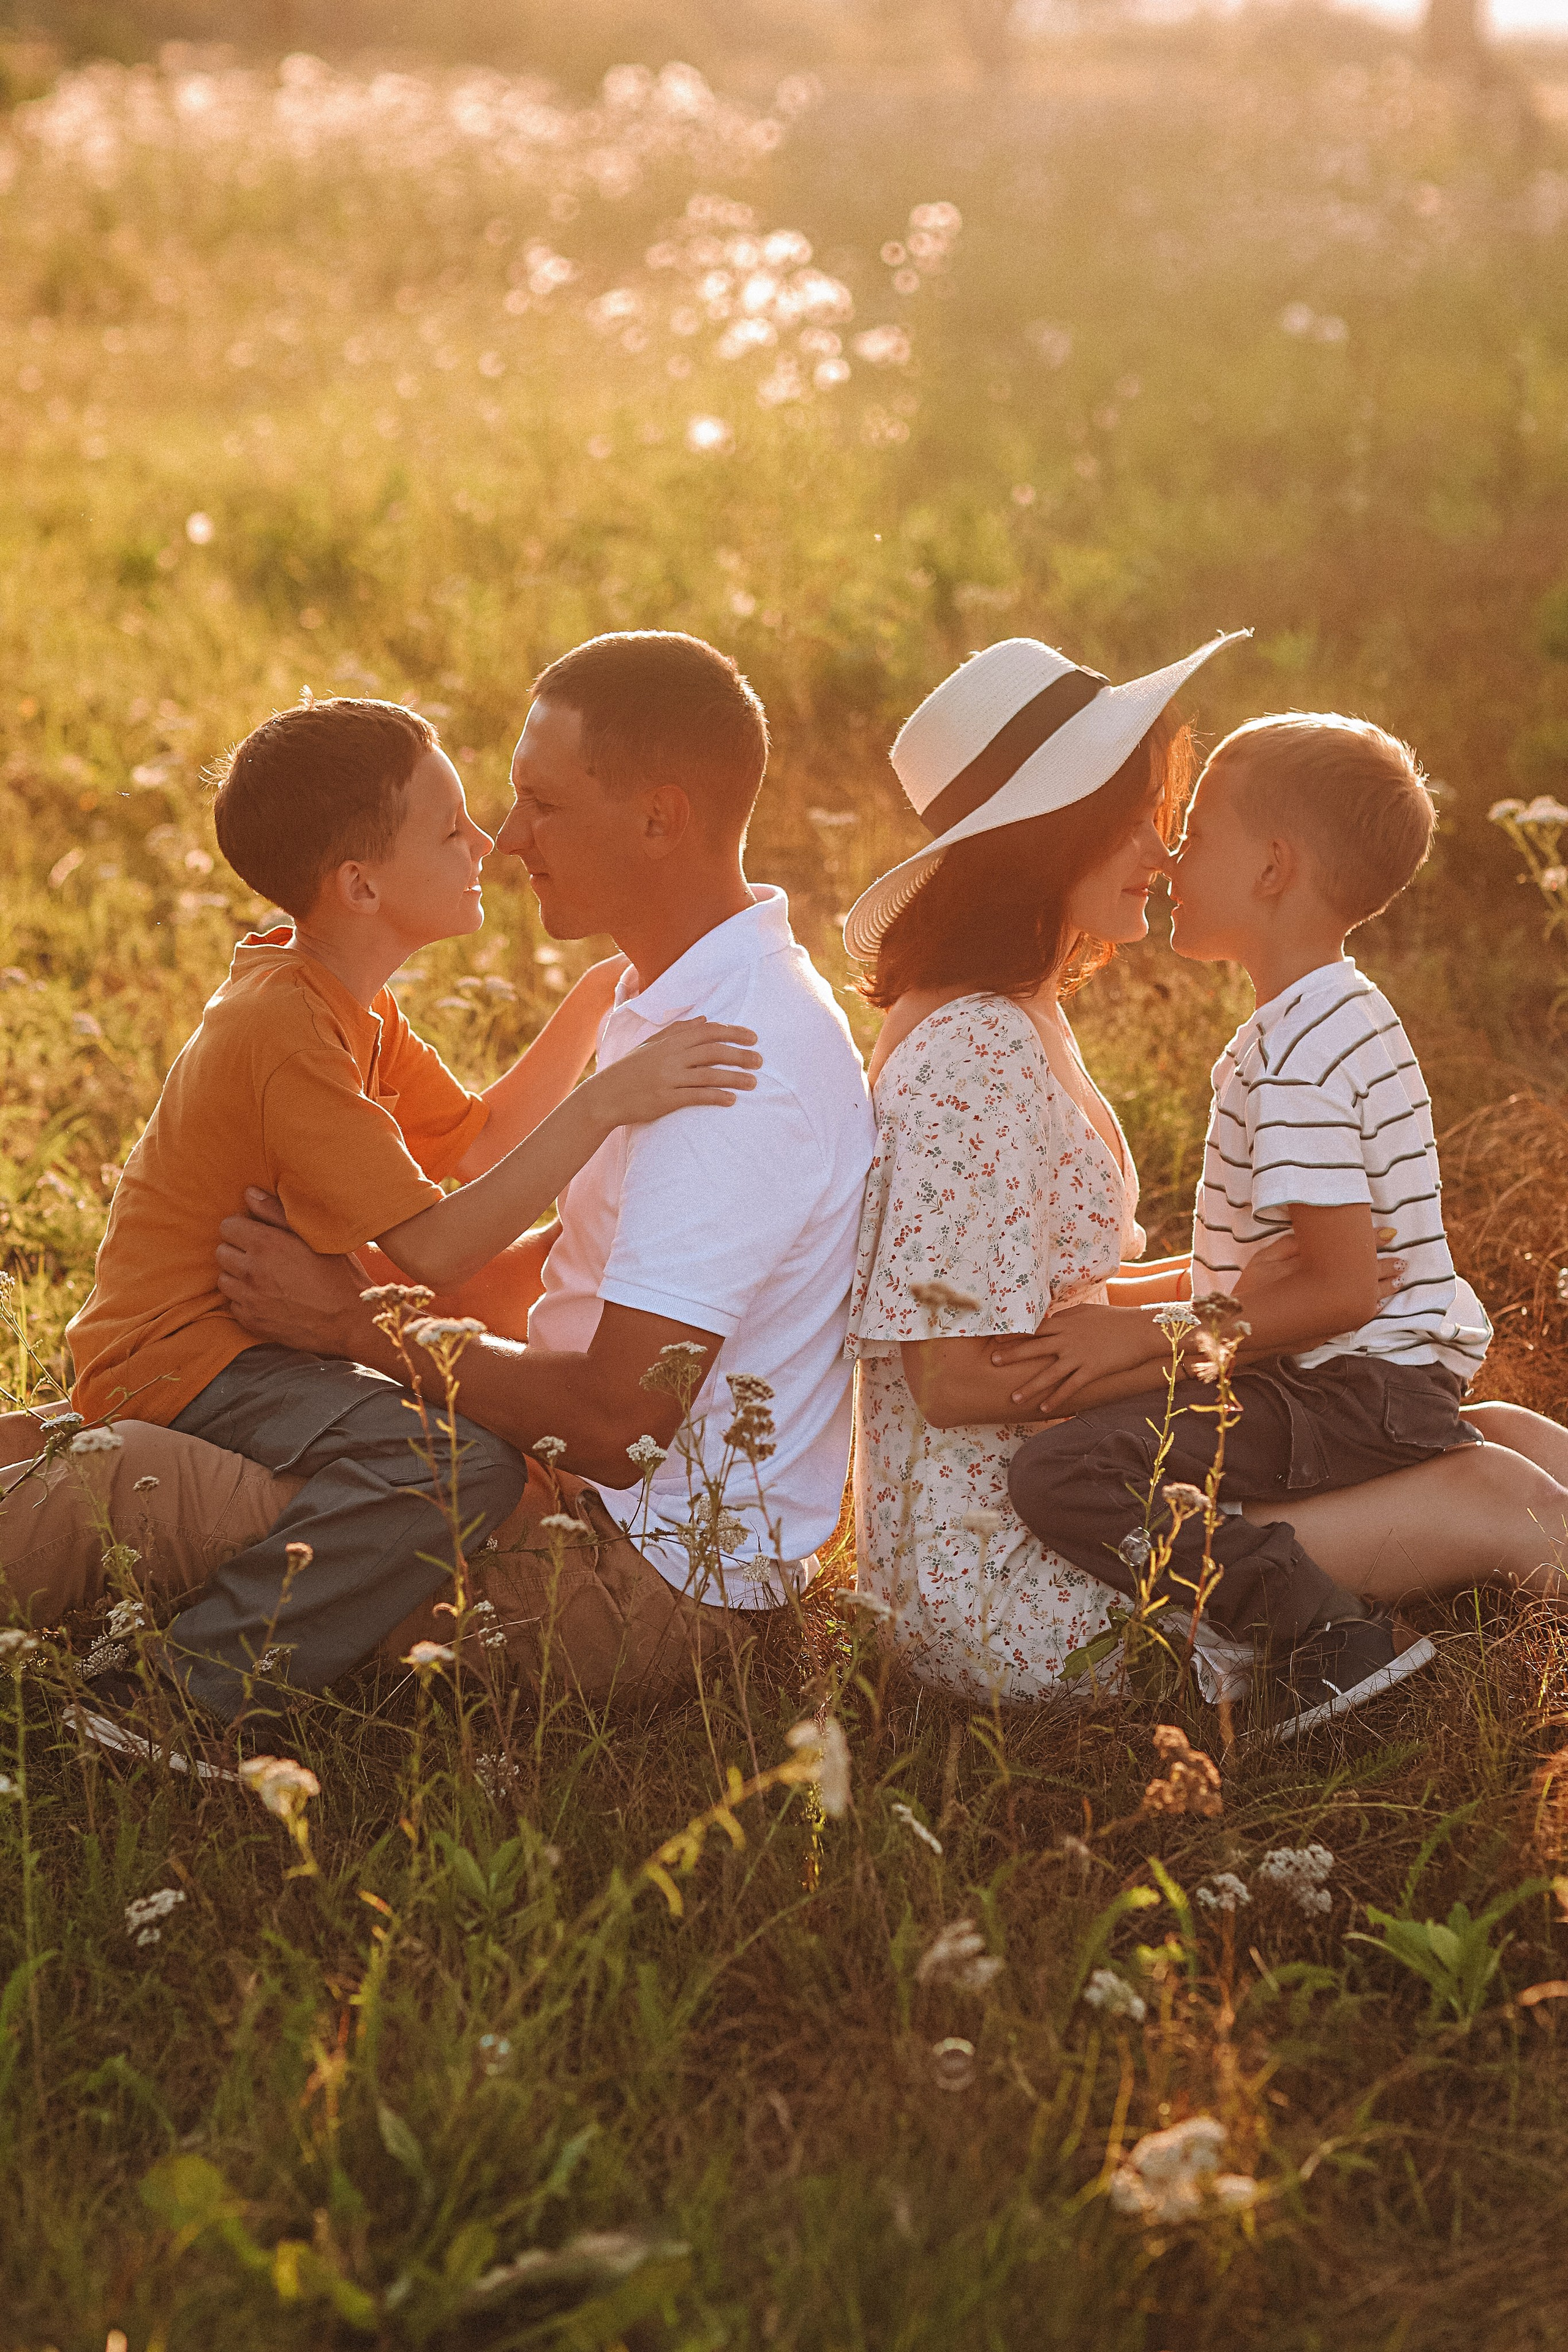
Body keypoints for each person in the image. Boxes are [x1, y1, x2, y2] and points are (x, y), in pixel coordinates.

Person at [13, 631, 873, 1724]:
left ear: (659, 819)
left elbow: (615, 1420)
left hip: (633, 1578)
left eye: (537, 803)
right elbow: (533, 1248)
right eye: (478, 813)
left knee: (143, 1477)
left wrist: (358, 1326)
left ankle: (169, 1704)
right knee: (139, 1450)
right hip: (542, 1482)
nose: (503, 841)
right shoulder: (676, 1011)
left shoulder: (733, 1062)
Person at [840, 641, 1568, 1713]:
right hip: (1021, 1557)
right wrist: (1204, 1330)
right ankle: (1439, 1557)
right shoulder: (977, 1051)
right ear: (1056, 832)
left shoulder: (1024, 1012)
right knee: (1477, 1478)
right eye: (1140, 815)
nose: (1163, 848)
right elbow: (947, 1381)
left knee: (1488, 1422)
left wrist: (1218, 1296)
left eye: (1177, 818)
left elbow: (1052, 1289)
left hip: (1076, 1468)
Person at [1001, 713, 1515, 1729]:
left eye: (1195, 832)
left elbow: (1333, 1293)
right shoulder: (1334, 1015)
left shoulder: (1295, 1065)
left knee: (1062, 1472)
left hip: (1352, 1390)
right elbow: (1265, 1268)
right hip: (1381, 1377)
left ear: (1274, 867)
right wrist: (1120, 1298)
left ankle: (1325, 1634)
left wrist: (1137, 1337)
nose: (1172, 855)